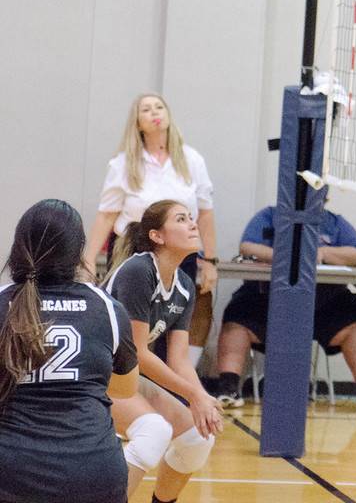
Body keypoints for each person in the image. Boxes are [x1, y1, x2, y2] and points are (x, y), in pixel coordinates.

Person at [0, 199, 139, 503]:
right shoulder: (106, 307)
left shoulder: (2, 303)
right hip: (94, 472)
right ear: (78, 252)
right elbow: (125, 390)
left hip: (13, 470)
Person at [85, 93, 219, 366]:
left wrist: (211, 261)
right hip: (133, 250)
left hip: (179, 253)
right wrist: (87, 260)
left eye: (159, 107)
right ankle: (120, 378)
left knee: (173, 317)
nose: (154, 112)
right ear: (137, 122)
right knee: (130, 322)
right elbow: (106, 215)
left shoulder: (191, 160)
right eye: (146, 109)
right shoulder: (123, 163)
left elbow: (205, 214)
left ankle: (173, 384)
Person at [212, 203, 356, 413]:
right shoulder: (269, 216)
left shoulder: (334, 222)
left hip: (324, 303)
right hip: (267, 299)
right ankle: (228, 387)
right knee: (237, 317)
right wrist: (290, 256)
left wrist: (321, 252)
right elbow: (248, 247)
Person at [104, 200, 223, 502]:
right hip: (92, 375)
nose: (193, 225)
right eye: (182, 219)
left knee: (197, 437)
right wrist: (193, 396)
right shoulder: (139, 271)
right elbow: (140, 354)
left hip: (122, 375)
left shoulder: (183, 284)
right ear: (157, 236)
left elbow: (179, 359)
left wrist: (203, 399)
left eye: (192, 218)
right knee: (153, 433)